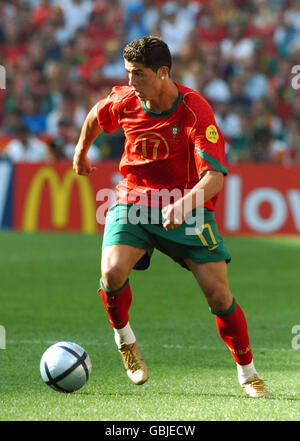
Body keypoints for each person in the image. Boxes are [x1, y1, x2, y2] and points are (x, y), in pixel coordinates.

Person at [73, 36, 270, 398]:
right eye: (128, 73)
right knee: (112, 272)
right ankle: (126, 342)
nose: (132, 83)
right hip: (133, 197)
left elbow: (214, 178)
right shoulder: (126, 100)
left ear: (163, 73)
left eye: (140, 75)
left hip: (186, 205)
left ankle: (249, 373)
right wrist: (81, 151)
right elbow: (96, 114)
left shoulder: (195, 110)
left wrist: (184, 204)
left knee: (218, 297)